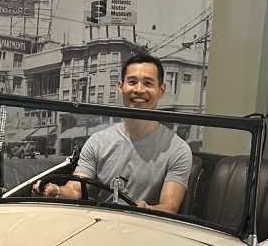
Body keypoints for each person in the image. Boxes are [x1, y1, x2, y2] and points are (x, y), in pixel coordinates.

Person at [35, 53, 192, 214]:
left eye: (148, 83)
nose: (139, 89)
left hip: (146, 229)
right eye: (132, 82)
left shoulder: (178, 150)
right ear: (120, 87)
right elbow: (75, 190)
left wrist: (148, 209)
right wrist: (56, 191)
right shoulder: (98, 142)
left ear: (161, 90)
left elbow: (170, 207)